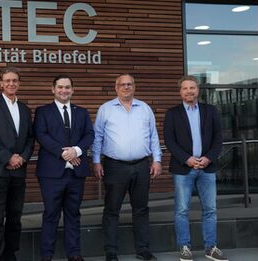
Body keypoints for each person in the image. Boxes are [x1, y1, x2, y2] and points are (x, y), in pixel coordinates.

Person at [91, 73, 162, 261]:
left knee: (141, 209)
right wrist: (96, 161)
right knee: (112, 209)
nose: (126, 87)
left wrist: (157, 159)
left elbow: (153, 136)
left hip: (141, 165)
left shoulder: (145, 108)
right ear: (116, 88)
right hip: (114, 166)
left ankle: (143, 249)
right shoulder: (106, 109)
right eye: (122, 84)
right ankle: (111, 251)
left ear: (134, 87)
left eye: (129, 84)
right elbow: (97, 137)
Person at [163, 76, 227, 261]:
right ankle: (185, 247)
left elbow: (218, 138)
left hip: (207, 168)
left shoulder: (211, 111)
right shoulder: (172, 113)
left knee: (210, 209)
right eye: (185, 88)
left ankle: (211, 247)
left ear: (198, 90)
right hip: (183, 169)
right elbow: (170, 141)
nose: (189, 91)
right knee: (182, 210)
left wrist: (208, 158)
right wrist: (188, 159)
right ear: (180, 92)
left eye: (192, 87)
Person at [34, 75, 94, 261]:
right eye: (60, 87)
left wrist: (76, 150)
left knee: (73, 214)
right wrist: (64, 153)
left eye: (67, 87)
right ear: (53, 89)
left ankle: (74, 254)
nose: (64, 90)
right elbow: (41, 135)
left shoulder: (82, 112)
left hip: (76, 173)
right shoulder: (43, 111)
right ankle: (47, 255)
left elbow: (89, 135)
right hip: (51, 173)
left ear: (72, 90)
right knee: (51, 214)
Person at [0, 67, 34, 261]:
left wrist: (22, 158)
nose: (11, 84)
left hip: (18, 172)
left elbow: (30, 138)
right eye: (7, 81)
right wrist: (8, 158)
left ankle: (10, 255)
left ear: (18, 84)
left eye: (15, 81)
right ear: (1, 84)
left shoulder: (25, 109)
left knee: (14, 217)